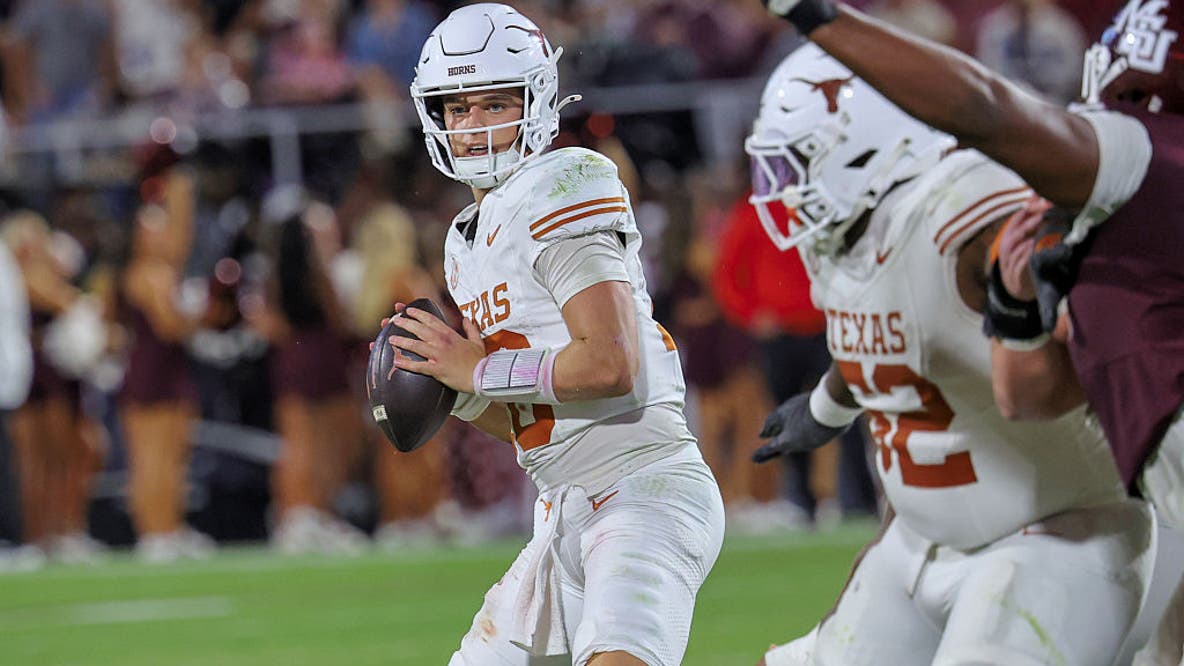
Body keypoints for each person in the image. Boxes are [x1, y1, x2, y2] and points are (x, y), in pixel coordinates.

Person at [757, 0, 1184, 662]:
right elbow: (886, 333)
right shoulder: (853, 243)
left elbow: (987, 116)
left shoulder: (968, 213)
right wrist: (826, 407)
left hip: (1051, 539)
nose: (781, 190)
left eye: (795, 165)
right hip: (923, 542)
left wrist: (1020, 295)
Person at [389, 5, 725, 664]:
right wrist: (449, 389)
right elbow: (530, 419)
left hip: (642, 493)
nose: (475, 126)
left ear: (537, 99)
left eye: (493, 104)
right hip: (560, 511)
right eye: (457, 109)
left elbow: (611, 364)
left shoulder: (564, 182)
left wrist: (477, 372)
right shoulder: (465, 240)